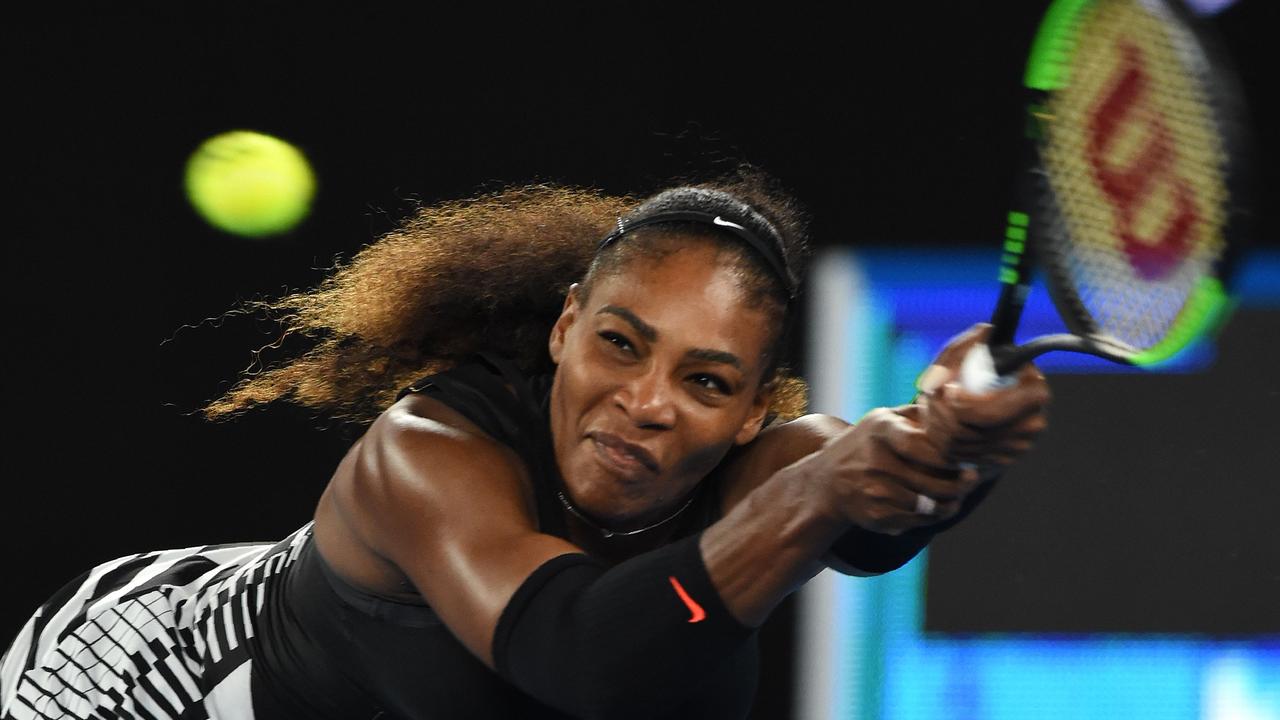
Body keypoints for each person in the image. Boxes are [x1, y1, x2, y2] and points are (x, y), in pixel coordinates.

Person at [0, 173, 1049, 720]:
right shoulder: (423, 453)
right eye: (618, 344)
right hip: (149, 684)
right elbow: (580, 655)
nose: (643, 402)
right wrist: (818, 502)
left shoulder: (766, 470)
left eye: (704, 381)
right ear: (562, 329)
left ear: (750, 412)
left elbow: (878, 509)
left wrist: (950, 446)